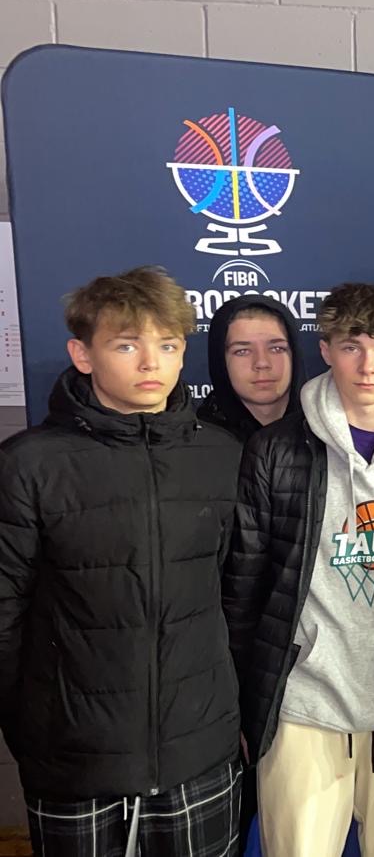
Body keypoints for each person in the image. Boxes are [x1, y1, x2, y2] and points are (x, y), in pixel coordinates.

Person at [0, 266, 244, 855]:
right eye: (127, 345)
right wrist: (33, 730)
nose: (151, 363)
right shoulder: (29, 464)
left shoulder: (222, 455)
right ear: (82, 354)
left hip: (199, 753)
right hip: (74, 760)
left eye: (168, 345)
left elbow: (238, 599)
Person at [226, 282, 374, 857]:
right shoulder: (276, 449)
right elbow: (245, 587)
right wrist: (244, 702)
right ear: (326, 350)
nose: (367, 365)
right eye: (351, 346)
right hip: (303, 708)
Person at [197, 294, 309, 441]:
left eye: (276, 349)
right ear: (220, 361)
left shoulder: (326, 435)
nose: (262, 363)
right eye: (242, 351)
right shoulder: (195, 443)